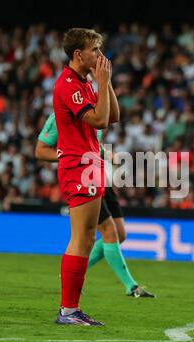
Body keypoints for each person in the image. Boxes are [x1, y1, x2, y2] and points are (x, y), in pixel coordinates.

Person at [36, 112, 155, 299]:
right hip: (82, 179)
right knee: (108, 232)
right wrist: (71, 156)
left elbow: (92, 143)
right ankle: (131, 287)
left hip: (101, 178)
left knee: (120, 234)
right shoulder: (60, 115)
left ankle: (70, 275)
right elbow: (41, 150)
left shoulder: (95, 112)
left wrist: (104, 153)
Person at [52, 28, 115, 326]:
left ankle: (71, 309)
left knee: (88, 238)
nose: (100, 56)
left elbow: (112, 116)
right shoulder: (68, 85)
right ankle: (67, 310)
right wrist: (101, 83)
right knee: (81, 237)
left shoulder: (84, 81)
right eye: (95, 50)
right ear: (79, 54)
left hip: (90, 164)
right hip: (78, 165)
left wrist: (106, 82)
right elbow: (100, 119)